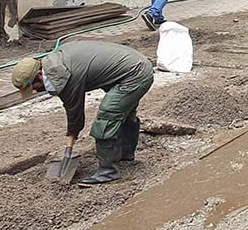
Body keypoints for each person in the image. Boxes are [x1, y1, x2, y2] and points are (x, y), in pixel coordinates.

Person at [11, 41, 154, 186]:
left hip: (135, 74)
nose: (35, 91)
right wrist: (74, 130)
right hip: (135, 65)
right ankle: (125, 156)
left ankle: (108, 172)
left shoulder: (64, 76)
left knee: (106, 118)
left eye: (34, 87)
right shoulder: (56, 61)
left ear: (40, 75)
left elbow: (75, 111)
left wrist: (72, 132)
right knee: (124, 114)